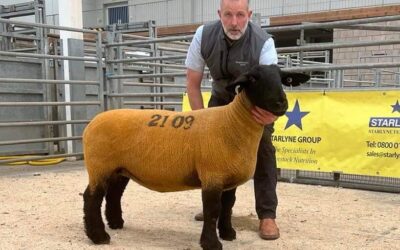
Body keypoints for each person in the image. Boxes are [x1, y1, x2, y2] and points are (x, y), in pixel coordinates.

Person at [185, 0, 280, 241]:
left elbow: (271, 87)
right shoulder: (203, 35)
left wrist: (270, 116)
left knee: (264, 150)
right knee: (211, 155)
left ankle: (267, 215)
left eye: (240, 15)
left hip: (253, 106)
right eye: (228, 15)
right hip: (220, 100)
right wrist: (200, 120)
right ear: (220, 14)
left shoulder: (264, 43)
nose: (234, 22)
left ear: (249, 14)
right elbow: (193, 83)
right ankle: (214, 210)